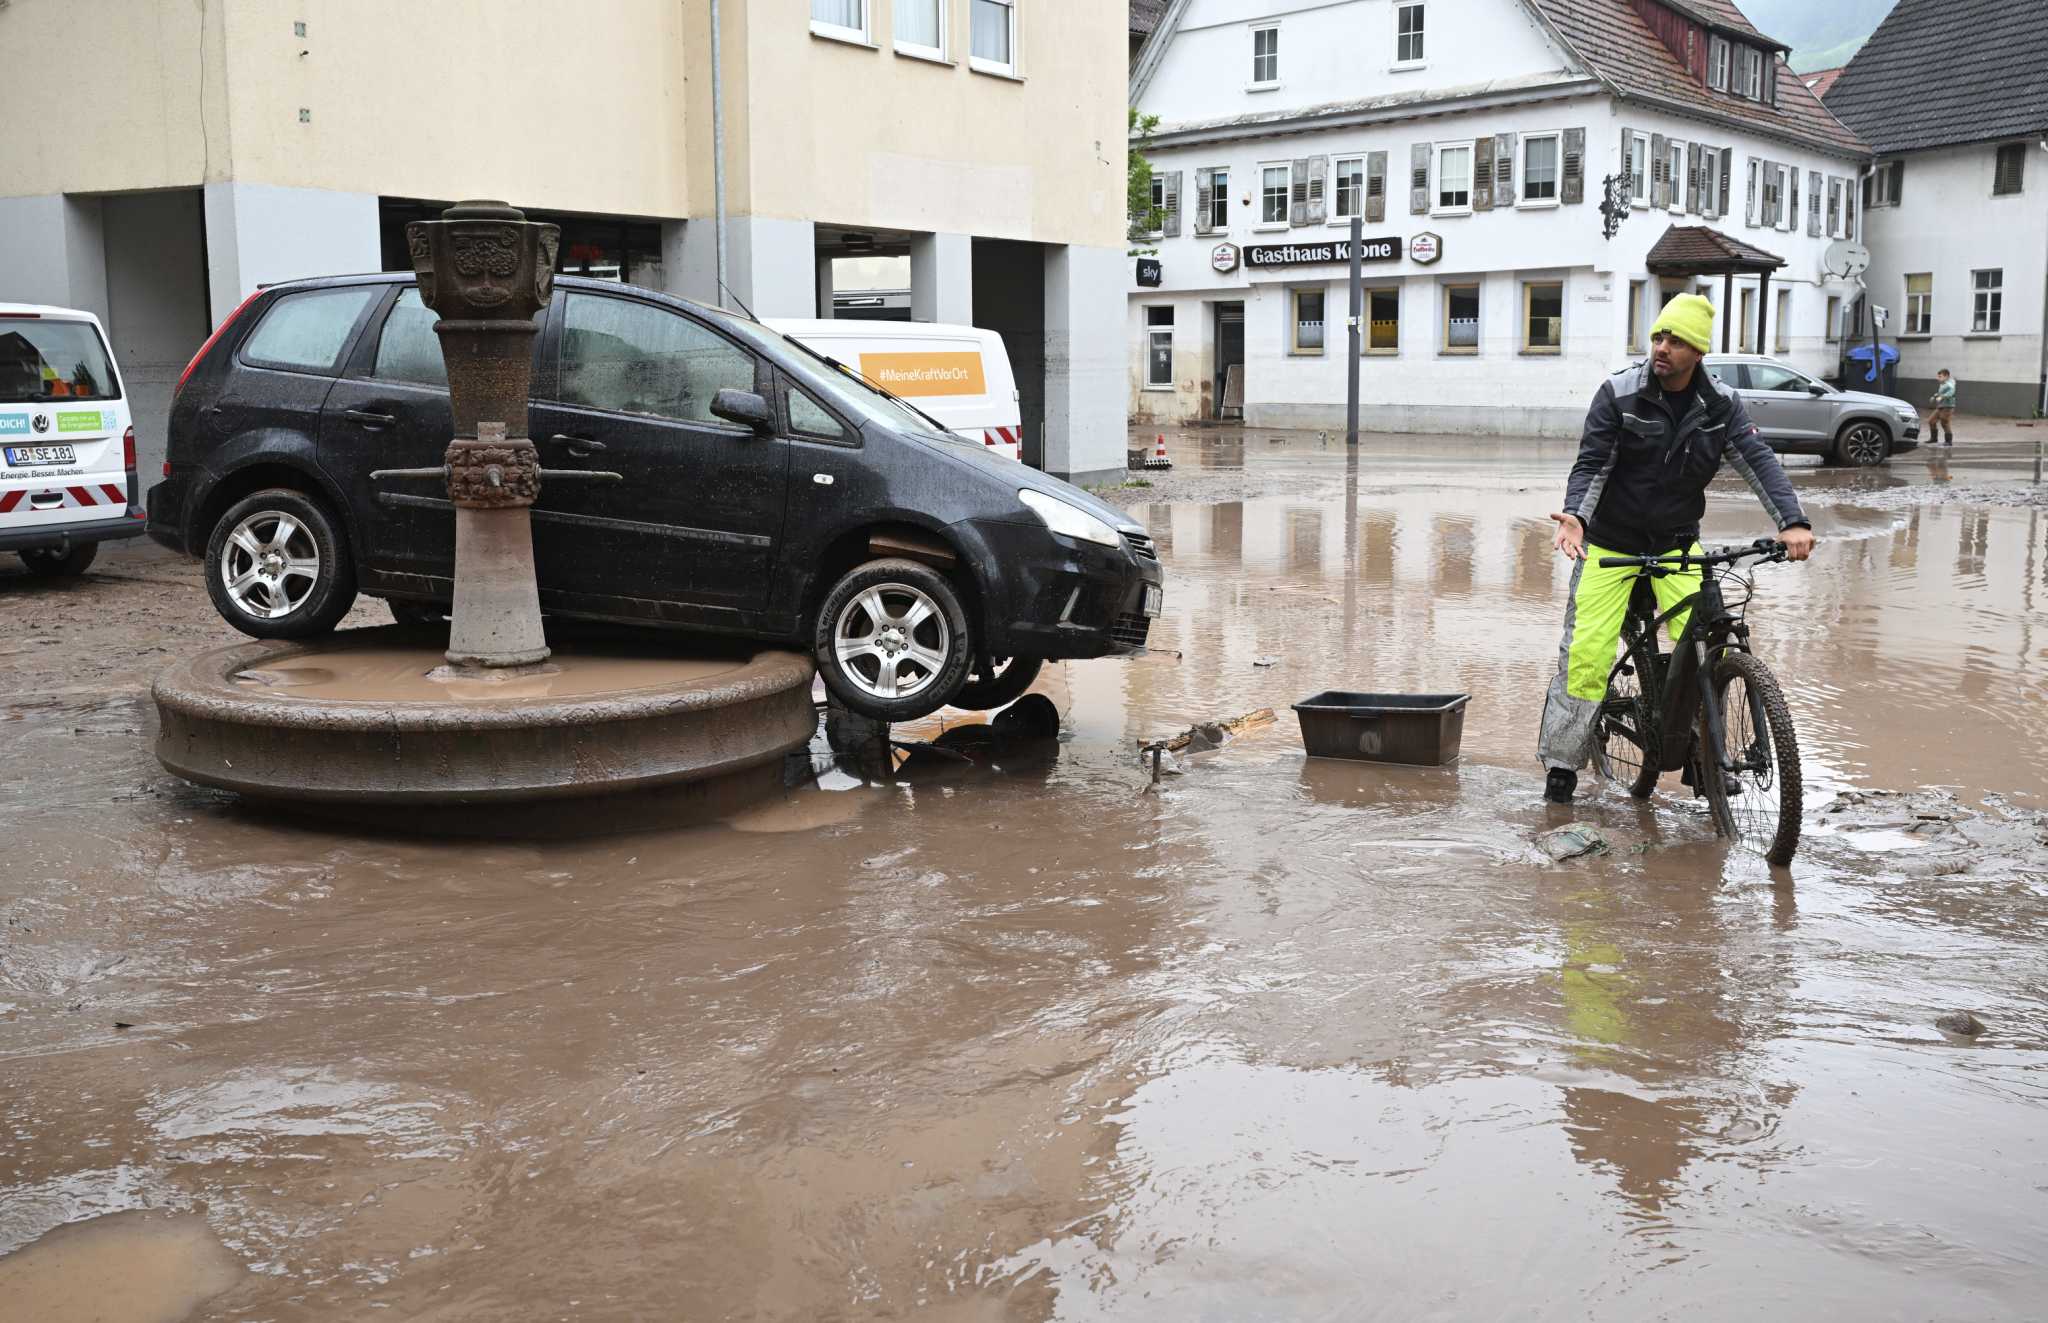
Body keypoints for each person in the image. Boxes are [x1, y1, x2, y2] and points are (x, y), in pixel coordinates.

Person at [1538, 294, 1816, 804]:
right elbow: (1593, 464)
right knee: (1586, 656)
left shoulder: (1722, 406)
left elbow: (1758, 461)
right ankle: (1562, 765)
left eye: (1676, 341)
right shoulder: (1619, 393)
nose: (1662, 348)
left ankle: (1700, 757)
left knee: (1706, 644)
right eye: (1658, 337)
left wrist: (1792, 522)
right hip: (1609, 543)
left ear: (1699, 353)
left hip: (1677, 542)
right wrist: (1576, 517)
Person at [1927, 369, 1956, 446]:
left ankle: (1948, 441)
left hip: (1948, 406)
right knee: (1931, 421)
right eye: (1938, 376)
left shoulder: (1950, 384)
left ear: (1946, 376)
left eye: (1940, 376)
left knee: (1944, 422)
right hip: (1941, 406)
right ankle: (1934, 438)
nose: (1938, 378)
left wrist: (1942, 397)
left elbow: (1951, 392)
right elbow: (1940, 392)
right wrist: (1934, 396)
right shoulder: (1943, 383)